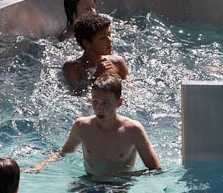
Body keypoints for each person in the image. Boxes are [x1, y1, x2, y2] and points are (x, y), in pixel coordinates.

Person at [27, 73, 162, 179]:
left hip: (120, 184)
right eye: (95, 101)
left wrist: (121, 177)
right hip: (89, 180)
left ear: (119, 103)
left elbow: (155, 169)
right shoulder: (82, 126)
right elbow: (63, 153)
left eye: (105, 103)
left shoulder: (133, 130)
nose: (99, 108)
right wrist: (41, 166)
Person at [63, 13, 129, 92]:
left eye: (109, 35)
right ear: (86, 43)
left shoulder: (117, 62)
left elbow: (131, 89)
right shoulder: (72, 68)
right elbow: (77, 94)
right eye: (102, 38)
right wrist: (97, 76)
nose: (110, 40)